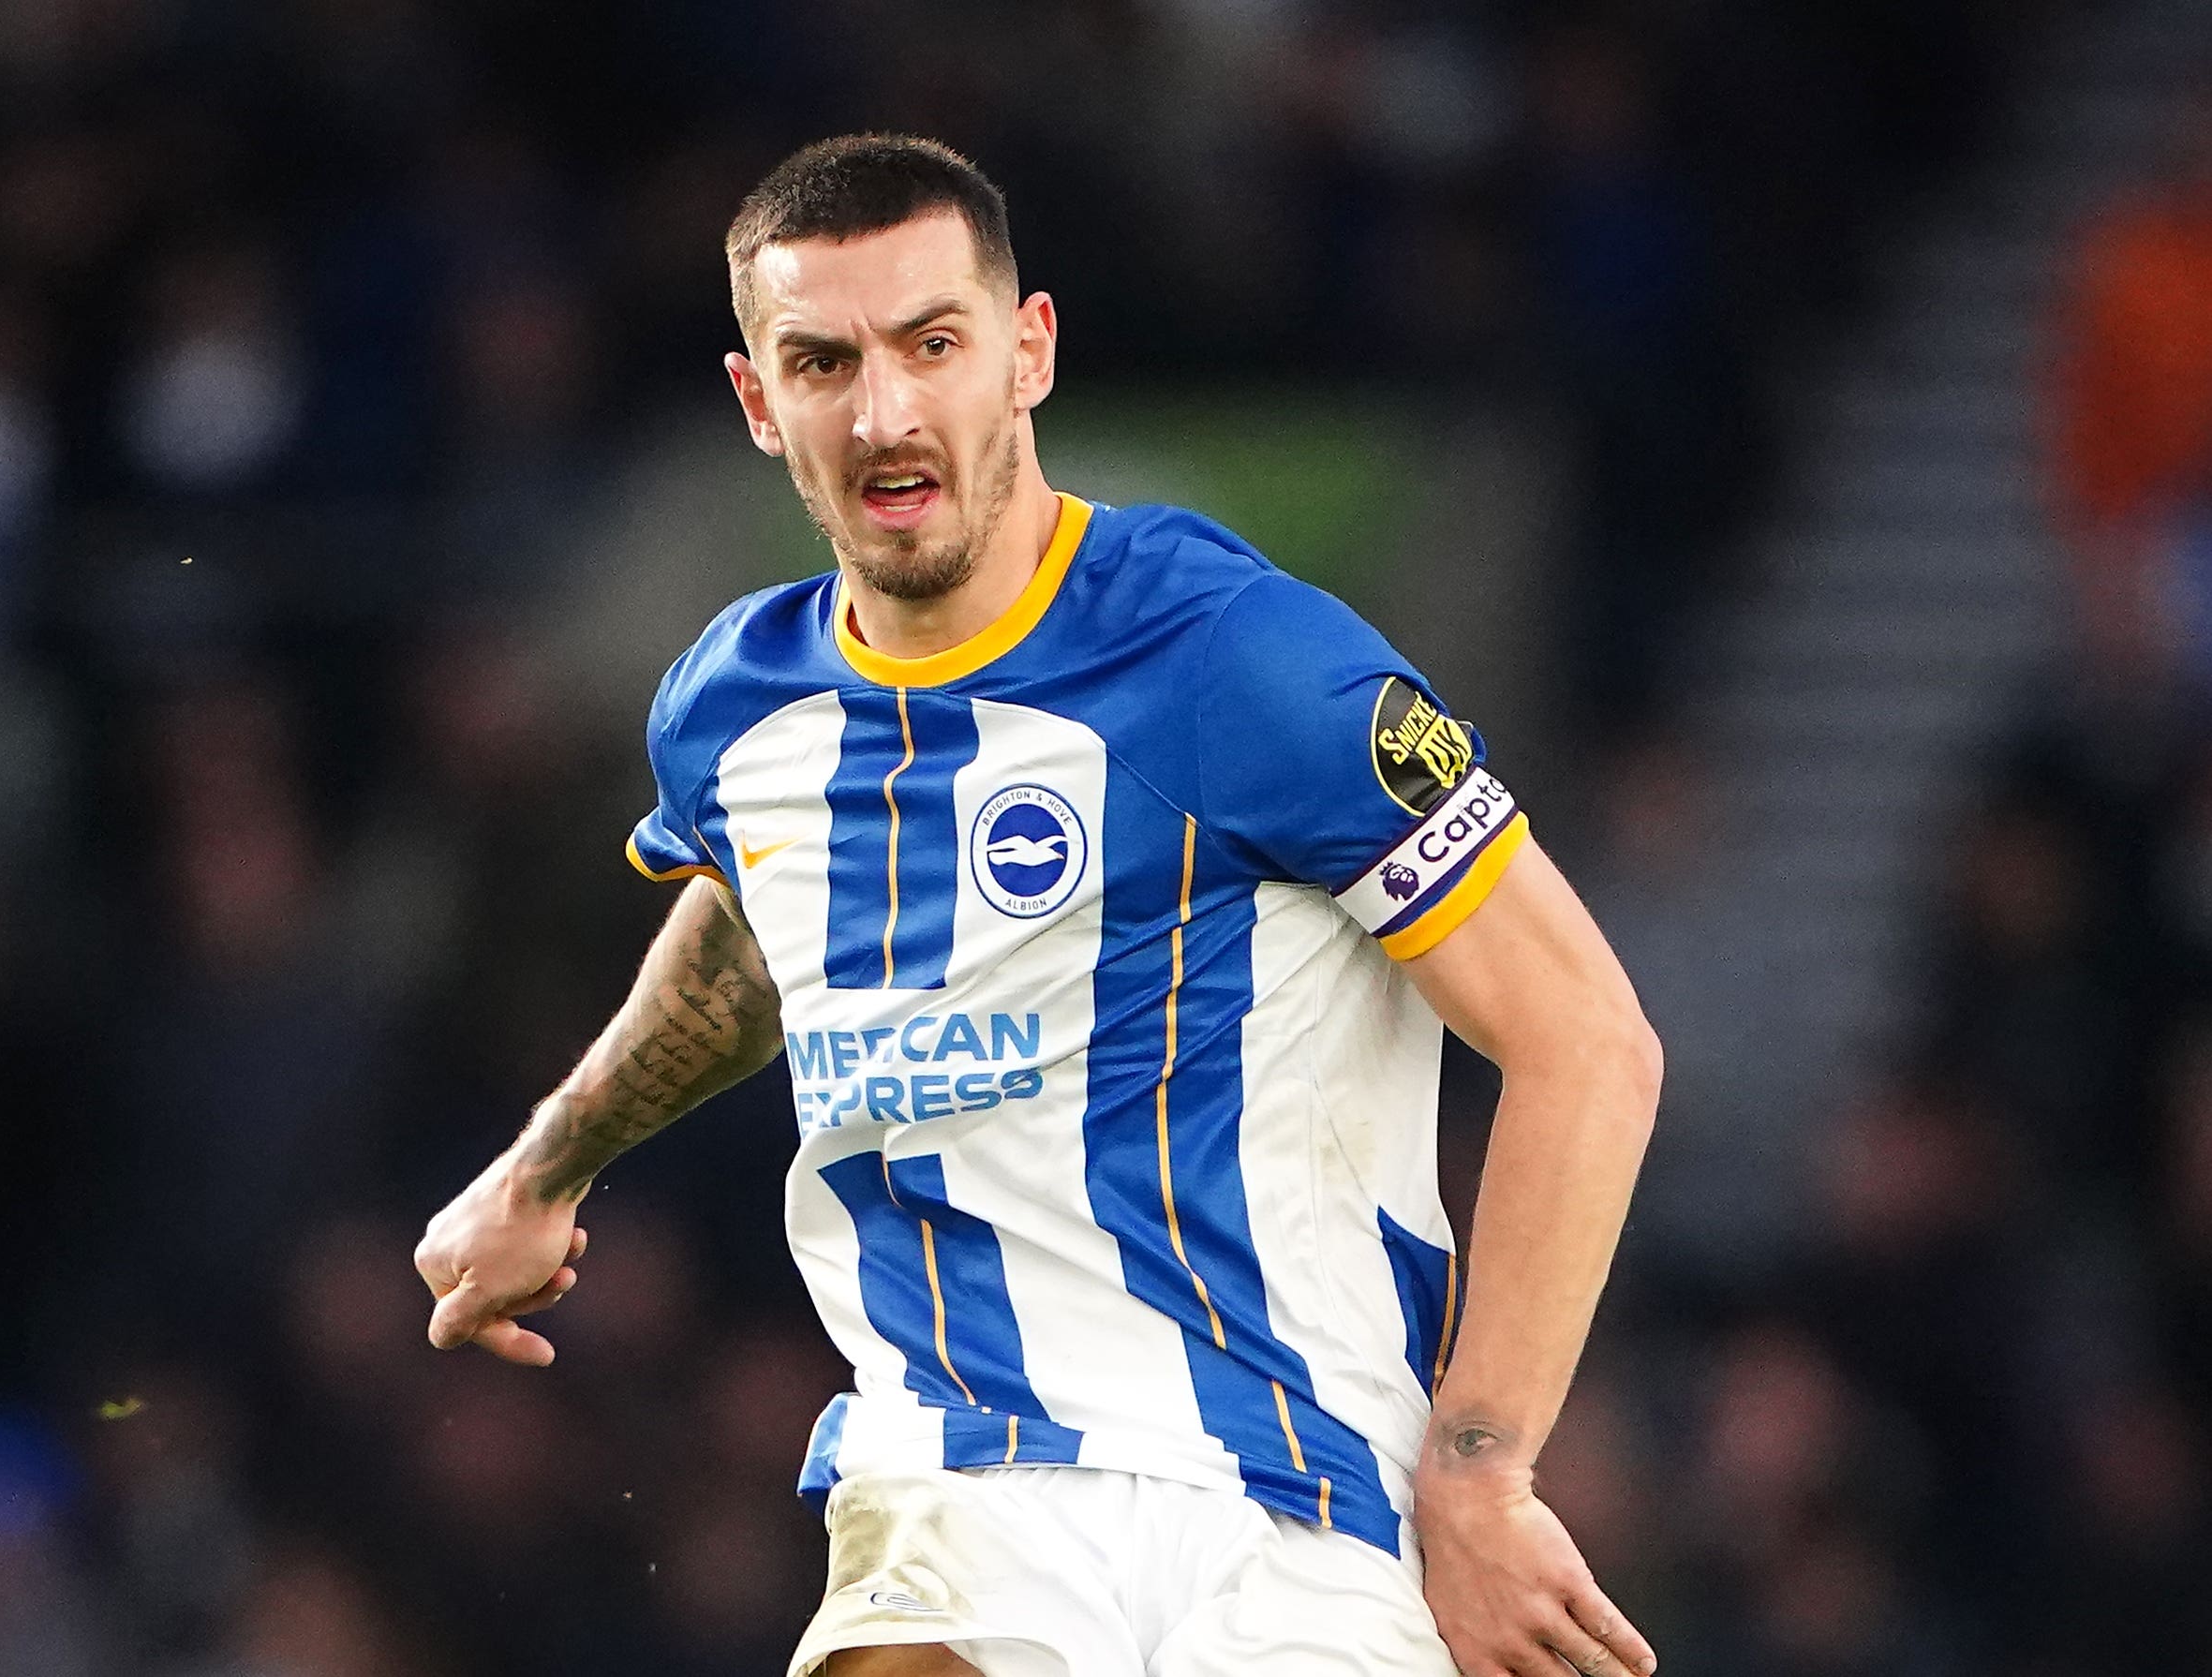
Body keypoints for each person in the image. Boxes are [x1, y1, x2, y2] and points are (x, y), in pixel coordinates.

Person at [415, 134, 1662, 1677]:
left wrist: (1481, 1464)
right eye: (820, 362)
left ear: (1027, 354)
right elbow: (759, 926)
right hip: (955, 1474)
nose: (883, 413)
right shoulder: (734, 713)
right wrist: (550, 1162)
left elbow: (1586, 1041)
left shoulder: (1243, 660)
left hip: (1292, 1497)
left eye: (931, 344)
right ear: (757, 403)